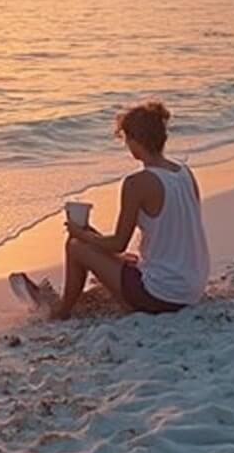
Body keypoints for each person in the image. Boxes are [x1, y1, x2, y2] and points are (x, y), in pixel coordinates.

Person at [12, 102, 210, 319]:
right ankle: (73, 296)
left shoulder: (137, 183)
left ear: (134, 140)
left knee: (75, 245)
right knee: (91, 238)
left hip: (162, 294)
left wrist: (81, 234)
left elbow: (118, 243)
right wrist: (90, 234)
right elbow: (177, 229)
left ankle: (62, 311)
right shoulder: (184, 172)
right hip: (192, 286)